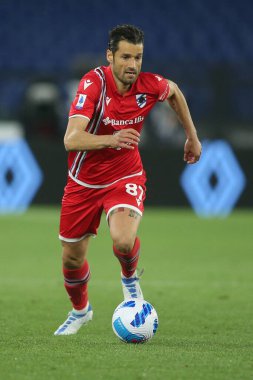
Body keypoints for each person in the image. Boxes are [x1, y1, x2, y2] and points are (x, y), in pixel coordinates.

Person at [54, 24, 202, 335]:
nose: (133, 65)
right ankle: (81, 310)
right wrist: (111, 139)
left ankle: (130, 278)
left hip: (126, 174)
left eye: (138, 57)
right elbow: (71, 139)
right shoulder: (93, 84)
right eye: (125, 57)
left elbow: (173, 92)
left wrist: (192, 136)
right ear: (110, 56)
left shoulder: (148, 85)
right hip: (83, 182)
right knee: (71, 259)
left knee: (122, 240)